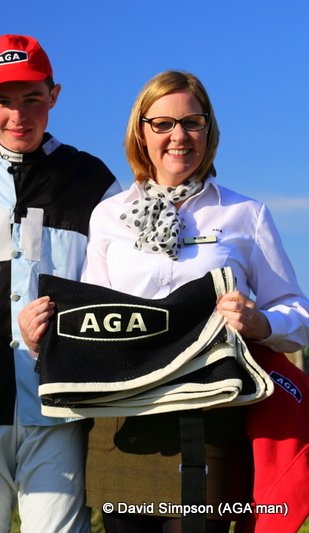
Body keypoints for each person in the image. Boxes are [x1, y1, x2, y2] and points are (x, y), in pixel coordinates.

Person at [20, 70, 309, 532]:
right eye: (163, 124)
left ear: (209, 130)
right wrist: (42, 339)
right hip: (124, 419)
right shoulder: (108, 214)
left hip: (209, 412)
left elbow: (299, 313)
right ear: (142, 131)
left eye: (192, 122)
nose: (179, 136)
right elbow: (93, 320)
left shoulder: (245, 213)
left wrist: (262, 322)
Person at [0, 34, 120, 533]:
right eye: (3, 100)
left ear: (54, 95)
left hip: (59, 401)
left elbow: (115, 287)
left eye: (32, 98)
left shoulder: (94, 181)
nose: (18, 115)